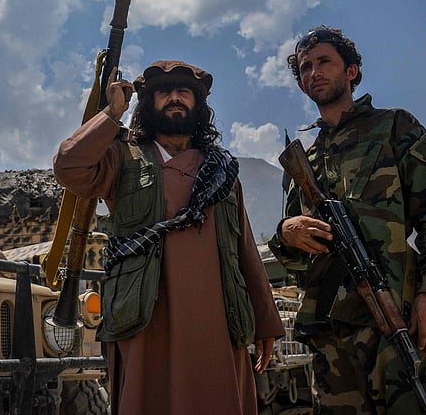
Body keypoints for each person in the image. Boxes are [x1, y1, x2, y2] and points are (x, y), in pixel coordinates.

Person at [54, 60, 284, 415]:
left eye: (184, 92)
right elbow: (69, 166)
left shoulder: (222, 170)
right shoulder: (122, 158)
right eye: (164, 92)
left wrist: (265, 321)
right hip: (146, 320)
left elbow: (245, 250)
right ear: (148, 103)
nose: (174, 98)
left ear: (198, 104)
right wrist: (111, 114)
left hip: (218, 322)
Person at [268, 26, 426, 414]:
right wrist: (285, 233)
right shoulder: (304, 162)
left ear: (352, 71)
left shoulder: (394, 127)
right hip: (332, 340)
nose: (314, 72)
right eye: (306, 67)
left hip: (399, 316)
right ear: (300, 84)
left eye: (325, 62)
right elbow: (299, 257)